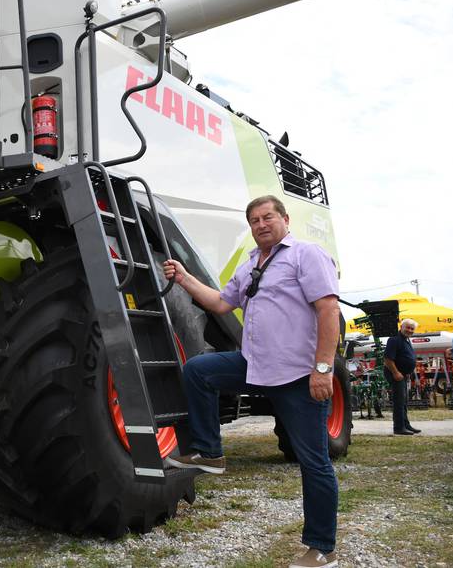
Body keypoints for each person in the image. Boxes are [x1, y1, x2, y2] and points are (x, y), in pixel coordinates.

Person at [163, 195, 340, 568]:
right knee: (199, 369)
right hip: (255, 365)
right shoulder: (250, 266)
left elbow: (328, 309)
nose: (261, 224)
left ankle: (321, 548)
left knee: (314, 462)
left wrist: (323, 369)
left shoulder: (305, 254)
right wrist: (183, 277)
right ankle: (210, 452)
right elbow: (220, 303)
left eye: (268, 217)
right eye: (255, 220)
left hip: (297, 375)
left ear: (285, 219)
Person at [383, 319, 420, 435]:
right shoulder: (394, 339)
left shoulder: (406, 340)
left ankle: (406, 424)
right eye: (407, 327)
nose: (409, 330)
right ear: (401, 327)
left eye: (412, 329)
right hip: (395, 373)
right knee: (399, 401)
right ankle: (398, 427)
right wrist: (396, 372)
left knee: (403, 401)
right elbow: (388, 359)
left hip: (402, 374)